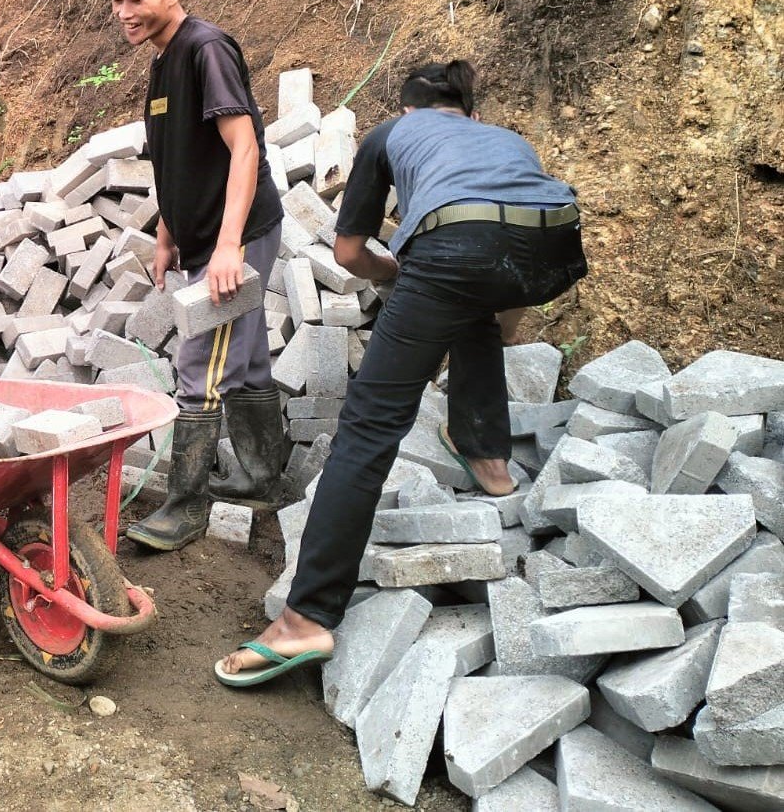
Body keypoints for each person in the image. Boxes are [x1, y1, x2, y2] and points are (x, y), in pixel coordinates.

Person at [216, 58, 587, 687]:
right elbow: (505, 254)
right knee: (469, 298)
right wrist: (491, 316)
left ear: (409, 109)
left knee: (369, 428)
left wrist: (399, 275)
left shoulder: (391, 134)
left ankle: (306, 618)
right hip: (556, 241)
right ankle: (488, 458)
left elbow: (348, 252)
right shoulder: (506, 141)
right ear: (469, 113)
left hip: (458, 248)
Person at [95, 0, 287, 552]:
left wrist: (228, 246)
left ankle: (185, 507)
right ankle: (261, 478)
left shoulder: (206, 50)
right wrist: (166, 234)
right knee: (245, 357)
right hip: (201, 234)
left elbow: (244, 147)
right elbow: (174, 159)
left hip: (237, 235)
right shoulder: (163, 59)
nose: (124, 11)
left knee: (200, 362)